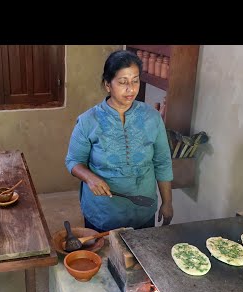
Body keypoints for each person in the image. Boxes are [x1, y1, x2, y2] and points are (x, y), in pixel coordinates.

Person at [65, 50, 173, 233]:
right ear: (108, 84)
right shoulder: (88, 120)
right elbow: (73, 161)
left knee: (140, 258)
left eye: (135, 80)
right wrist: (90, 178)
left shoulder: (153, 118)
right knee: (106, 259)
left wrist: (167, 202)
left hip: (143, 210)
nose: (130, 89)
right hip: (103, 213)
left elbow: (162, 162)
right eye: (123, 82)